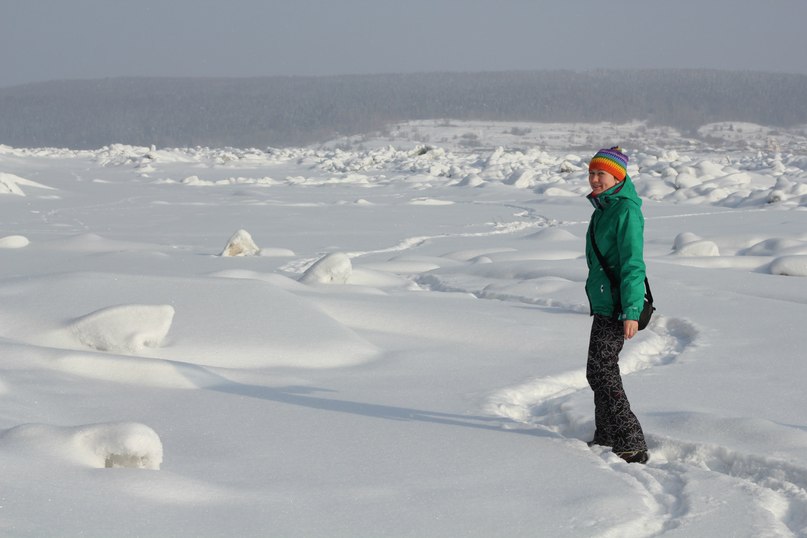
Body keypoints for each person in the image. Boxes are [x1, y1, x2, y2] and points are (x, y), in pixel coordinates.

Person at [584, 146, 648, 464]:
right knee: (597, 371)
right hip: (605, 303)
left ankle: (631, 441)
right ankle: (606, 435)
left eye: (601, 174)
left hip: (619, 306)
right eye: (592, 173)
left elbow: (633, 265)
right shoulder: (602, 209)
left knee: (603, 371)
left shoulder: (625, 212)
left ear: (617, 177)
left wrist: (631, 312)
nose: (595, 179)